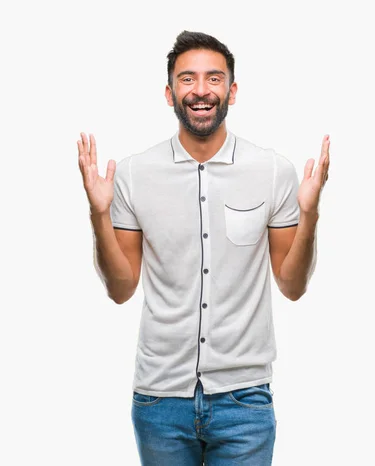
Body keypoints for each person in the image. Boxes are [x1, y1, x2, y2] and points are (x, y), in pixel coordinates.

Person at [77, 30, 329, 465]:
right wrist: (99, 213)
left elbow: (292, 285)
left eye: (213, 79)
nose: (200, 90)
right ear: (169, 92)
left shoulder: (272, 171)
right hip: (160, 401)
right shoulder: (135, 174)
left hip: (244, 401)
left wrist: (310, 215)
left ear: (231, 91)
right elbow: (120, 289)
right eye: (187, 78)